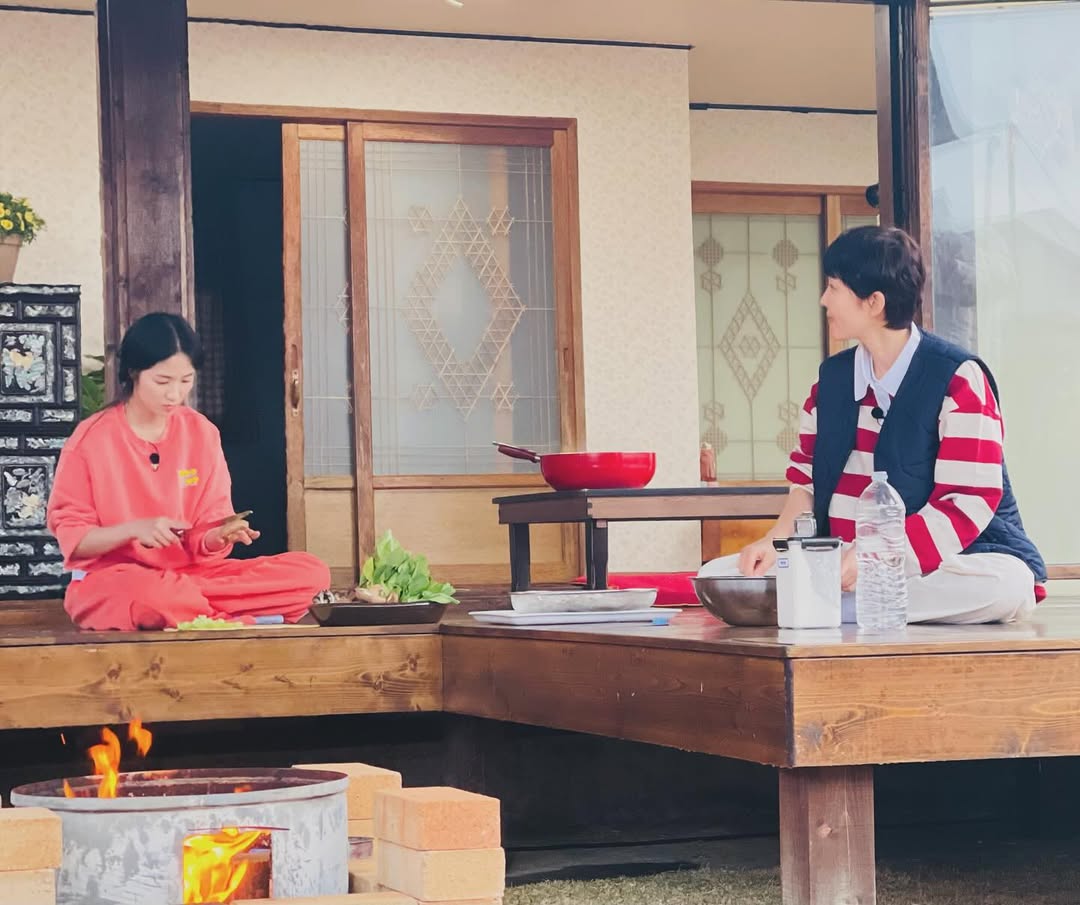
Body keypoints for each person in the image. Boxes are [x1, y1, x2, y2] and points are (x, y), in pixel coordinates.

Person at [735, 226, 1045, 624]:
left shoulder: (958, 379)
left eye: (834, 287)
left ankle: (834, 605)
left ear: (874, 302)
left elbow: (968, 502)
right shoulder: (829, 382)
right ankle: (840, 602)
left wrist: (877, 556)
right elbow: (805, 485)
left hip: (939, 562)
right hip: (840, 562)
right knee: (725, 573)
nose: (824, 299)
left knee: (1006, 585)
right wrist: (774, 542)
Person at [47, 313, 331, 631]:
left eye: (186, 381)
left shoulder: (201, 432)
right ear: (133, 372)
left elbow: (207, 527)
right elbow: (74, 539)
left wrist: (217, 536)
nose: (174, 394)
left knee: (311, 573)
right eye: (162, 381)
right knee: (150, 595)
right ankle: (212, 614)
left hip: (192, 578)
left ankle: (190, 611)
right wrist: (134, 530)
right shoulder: (91, 440)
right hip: (115, 580)